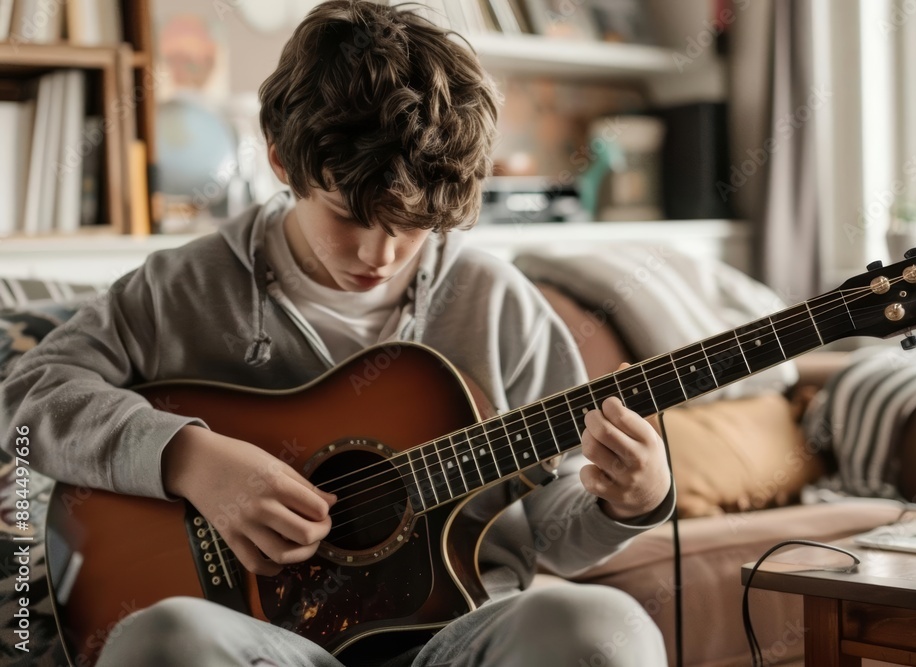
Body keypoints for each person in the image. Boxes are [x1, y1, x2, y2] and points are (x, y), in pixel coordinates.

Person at [0, 2, 674, 665]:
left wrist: (629, 501)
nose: (380, 254)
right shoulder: (184, 287)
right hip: (262, 647)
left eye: (412, 226)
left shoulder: (499, 306)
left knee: (607, 627)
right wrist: (189, 460)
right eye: (352, 216)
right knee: (165, 638)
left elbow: (553, 536)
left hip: (455, 637)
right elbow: (26, 397)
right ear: (282, 160)